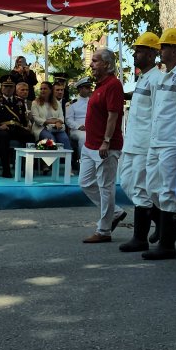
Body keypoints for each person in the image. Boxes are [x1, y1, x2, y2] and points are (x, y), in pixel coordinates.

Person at [140, 28, 176, 261]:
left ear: (175, 49)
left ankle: (167, 245)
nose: (160, 51)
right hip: (156, 140)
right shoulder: (163, 76)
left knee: (168, 191)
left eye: (163, 47)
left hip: (172, 142)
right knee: (152, 189)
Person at [117, 32, 164, 253]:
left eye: (141, 50)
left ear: (153, 54)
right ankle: (164, 223)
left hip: (145, 143)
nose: (136, 54)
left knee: (140, 188)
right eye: (136, 50)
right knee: (127, 182)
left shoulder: (157, 78)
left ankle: (140, 237)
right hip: (132, 141)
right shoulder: (143, 78)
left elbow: (157, 114)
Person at [79, 48, 127, 243]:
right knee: (85, 182)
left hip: (105, 146)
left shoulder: (114, 85)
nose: (91, 65)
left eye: (95, 61)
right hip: (90, 145)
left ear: (107, 64)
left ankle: (104, 230)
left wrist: (106, 141)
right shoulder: (99, 85)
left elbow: (113, 115)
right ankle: (115, 212)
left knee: (106, 187)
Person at [0, 80, 32, 177]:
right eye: (6, 86)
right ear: (1, 88)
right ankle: (6, 169)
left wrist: (26, 126)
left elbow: (23, 118)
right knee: (3, 138)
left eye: (11, 87)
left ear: (14, 88)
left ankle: (26, 168)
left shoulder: (19, 101)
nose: (8, 89)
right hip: (3, 128)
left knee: (30, 137)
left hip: (16, 127)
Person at [31, 82, 73, 151]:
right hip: (41, 128)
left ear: (50, 90)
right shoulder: (35, 103)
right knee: (50, 139)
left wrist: (58, 123)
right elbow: (36, 119)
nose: (42, 90)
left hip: (56, 128)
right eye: (41, 89)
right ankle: (51, 161)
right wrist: (50, 121)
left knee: (65, 139)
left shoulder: (57, 103)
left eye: (45, 89)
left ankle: (67, 161)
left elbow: (61, 117)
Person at [66, 78, 92, 161]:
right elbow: (68, 120)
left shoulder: (93, 101)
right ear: (80, 89)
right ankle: (82, 162)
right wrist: (79, 126)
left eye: (90, 87)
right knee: (84, 137)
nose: (90, 90)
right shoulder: (72, 103)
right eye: (87, 88)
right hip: (77, 130)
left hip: (91, 128)